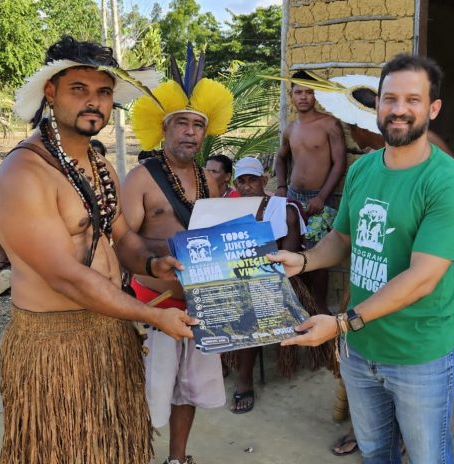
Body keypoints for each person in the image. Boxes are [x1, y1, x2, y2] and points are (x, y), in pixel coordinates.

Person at [0, 36, 193, 464]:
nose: (93, 103)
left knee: (115, 450)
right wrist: (154, 315)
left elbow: (124, 240)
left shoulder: (99, 165)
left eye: (103, 92)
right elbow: (64, 276)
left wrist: (156, 263)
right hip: (53, 345)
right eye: (78, 89)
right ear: (51, 93)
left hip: (110, 334)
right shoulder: (24, 173)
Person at [269, 54, 454, 463]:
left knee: (427, 457)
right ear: (377, 105)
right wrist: (304, 261)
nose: (399, 109)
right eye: (390, 98)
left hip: (420, 355)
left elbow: (422, 278)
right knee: (376, 453)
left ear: (432, 109)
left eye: (413, 100)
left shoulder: (450, 183)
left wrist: (342, 323)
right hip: (360, 350)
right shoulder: (364, 169)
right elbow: (342, 237)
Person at [123, 46, 233, 464]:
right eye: (181, 124)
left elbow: (218, 239)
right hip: (154, 303)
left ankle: (178, 458)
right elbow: (123, 243)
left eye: (197, 126)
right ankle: (134, 455)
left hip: (199, 303)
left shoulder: (209, 179)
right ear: (163, 128)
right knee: (150, 393)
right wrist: (153, 272)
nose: (190, 132)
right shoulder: (141, 179)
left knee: (188, 389)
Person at [230, 156, 307, 413]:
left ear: (264, 180)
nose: (247, 186)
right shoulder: (229, 210)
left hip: (279, 278)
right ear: (235, 184)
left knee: (252, 306)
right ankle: (222, 360)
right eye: (242, 181)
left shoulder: (284, 209)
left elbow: (291, 256)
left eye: (253, 180)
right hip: (239, 277)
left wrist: (261, 278)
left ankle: (243, 380)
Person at [275, 70, 347, 315]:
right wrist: (282, 186)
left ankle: (320, 307)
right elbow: (281, 158)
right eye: (298, 92)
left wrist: (321, 196)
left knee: (317, 257)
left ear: (315, 95)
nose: (303, 97)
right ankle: (300, 305)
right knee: (293, 252)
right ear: (291, 95)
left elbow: (339, 162)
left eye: (309, 92)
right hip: (294, 199)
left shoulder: (329, 124)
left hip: (319, 199)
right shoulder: (290, 128)